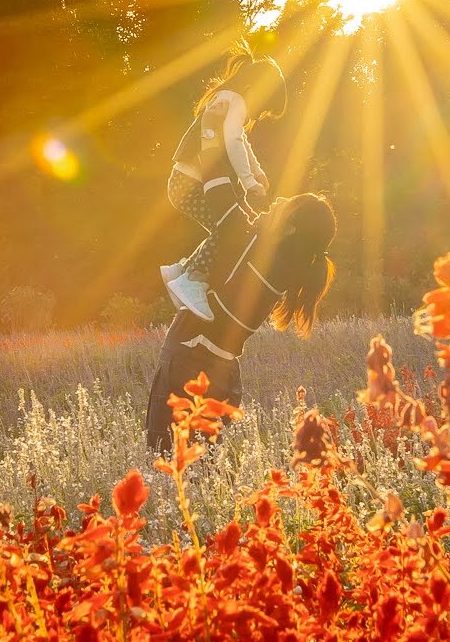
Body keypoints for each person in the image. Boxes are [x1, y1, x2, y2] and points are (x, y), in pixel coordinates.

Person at [144, 193, 336, 453]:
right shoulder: (277, 265)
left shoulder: (259, 254)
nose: (277, 200)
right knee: (200, 469)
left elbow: (216, 191)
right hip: (213, 366)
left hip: (192, 367)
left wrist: (222, 153)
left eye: (285, 204)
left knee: (171, 462)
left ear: (289, 228)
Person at [161, 46, 288, 321]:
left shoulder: (225, 98)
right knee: (230, 229)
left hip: (183, 181)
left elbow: (240, 139)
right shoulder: (236, 100)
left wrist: (257, 171)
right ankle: (192, 280)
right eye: (265, 106)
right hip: (190, 183)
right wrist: (249, 182)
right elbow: (233, 141)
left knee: (227, 228)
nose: (260, 113)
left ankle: (181, 271)